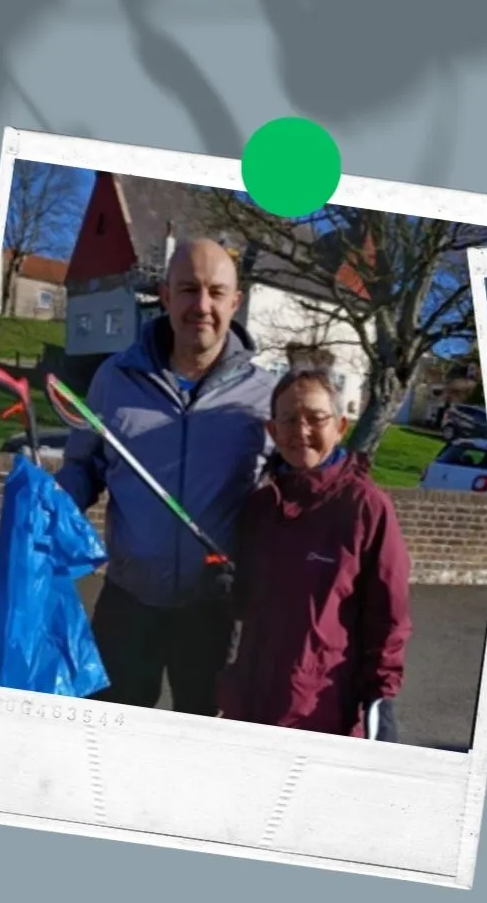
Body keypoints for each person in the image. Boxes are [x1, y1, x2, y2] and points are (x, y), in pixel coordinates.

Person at [57, 237, 275, 714]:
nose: (202, 305)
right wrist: (50, 509)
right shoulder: (115, 378)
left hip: (215, 610)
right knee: (107, 733)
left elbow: (295, 491)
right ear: (165, 294)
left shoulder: (264, 396)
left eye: (217, 292)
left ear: (235, 302)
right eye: (188, 289)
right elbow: (83, 466)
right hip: (128, 602)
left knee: (203, 739)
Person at [218, 369, 412, 740]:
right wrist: (229, 587)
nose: (301, 431)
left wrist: (378, 700)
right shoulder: (260, 507)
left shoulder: (365, 508)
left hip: (321, 711)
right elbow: (245, 605)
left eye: (315, 418)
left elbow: (389, 617)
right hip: (250, 702)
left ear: (340, 426)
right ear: (272, 432)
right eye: (288, 420)